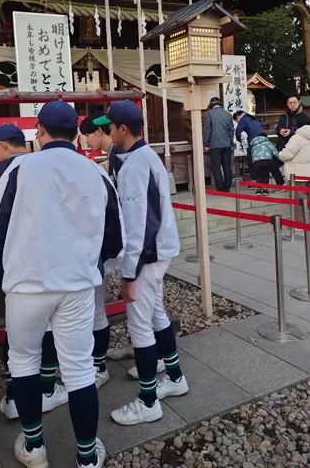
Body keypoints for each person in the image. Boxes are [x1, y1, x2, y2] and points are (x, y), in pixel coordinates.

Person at [0, 101, 123, 468]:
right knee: (78, 368)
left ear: (39, 132)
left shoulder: (18, 169)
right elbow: (114, 237)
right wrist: (95, 267)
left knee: (23, 362)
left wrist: (0, 273)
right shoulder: (96, 172)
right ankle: (87, 455)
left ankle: (34, 448)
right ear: (76, 134)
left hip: (26, 284)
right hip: (76, 285)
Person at [94, 100, 189, 426]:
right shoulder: (143, 156)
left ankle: (148, 402)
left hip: (149, 253)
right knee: (156, 313)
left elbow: (139, 226)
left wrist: (129, 274)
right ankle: (174, 377)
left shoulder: (135, 164)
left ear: (123, 129)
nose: (107, 132)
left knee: (139, 325)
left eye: (110, 127)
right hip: (158, 248)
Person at [0, 124, 68, 421]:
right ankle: (47, 389)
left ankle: (14, 395)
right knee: (49, 328)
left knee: (17, 336)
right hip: (50, 261)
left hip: (14, 266)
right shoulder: (43, 165)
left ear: (2, 145)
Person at [80, 113, 166, 379]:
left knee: (147, 312)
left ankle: (155, 368)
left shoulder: (127, 157)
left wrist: (131, 266)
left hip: (147, 247)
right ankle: (152, 355)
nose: (86, 141)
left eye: (88, 135)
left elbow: (141, 215)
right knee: (150, 309)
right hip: (148, 245)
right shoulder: (123, 154)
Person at [278, 113, 310, 224]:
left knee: (298, 199)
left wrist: (279, 154)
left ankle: (300, 222)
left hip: (298, 173)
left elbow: (286, 155)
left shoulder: (297, 138)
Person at [203, 97, 234, 192]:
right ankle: (227, 186)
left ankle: (220, 187)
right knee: (227, 166)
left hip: (215, 144)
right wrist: (230, 141)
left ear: (211, 105)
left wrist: (206, 143)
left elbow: (207, 130)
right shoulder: (228, 114)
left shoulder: (210, 114)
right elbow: (231, 130)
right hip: (226, 144)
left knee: (216, 167)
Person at [233, 110, 262, 181]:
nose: (238, 123)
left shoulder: (243, 119)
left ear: (238, 117)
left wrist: (239, 140)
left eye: (237, 121)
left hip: (252, 141)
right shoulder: (252, 118)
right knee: (259, 159)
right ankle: (261, 178)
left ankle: (254, 179)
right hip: (260, 140)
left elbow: (238, 132)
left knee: (250, 160)